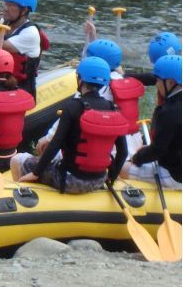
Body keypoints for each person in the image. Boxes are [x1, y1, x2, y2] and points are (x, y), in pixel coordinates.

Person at [11, 57, 129, 194]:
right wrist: (111, 178)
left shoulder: (72, 107)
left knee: (18, 159)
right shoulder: (113, 109)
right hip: (99, 180)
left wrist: (36, 173)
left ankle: (22, 196)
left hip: (69, 180)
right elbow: (123, 152)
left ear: (80, 79)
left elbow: (55, 144)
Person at [121, 55, 182, 188]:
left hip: (174, 175)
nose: (157, 84)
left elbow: (157, 151)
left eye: (158, 81)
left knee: (121, 168)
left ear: (170, 82)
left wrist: (136, 158)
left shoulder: (169, 111)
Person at [0, 0, 48, 98]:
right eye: (5, 4)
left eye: (11, 5)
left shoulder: (30, 33)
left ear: (24, 10)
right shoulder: (3, 23)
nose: (5, 8)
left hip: (21, 90)